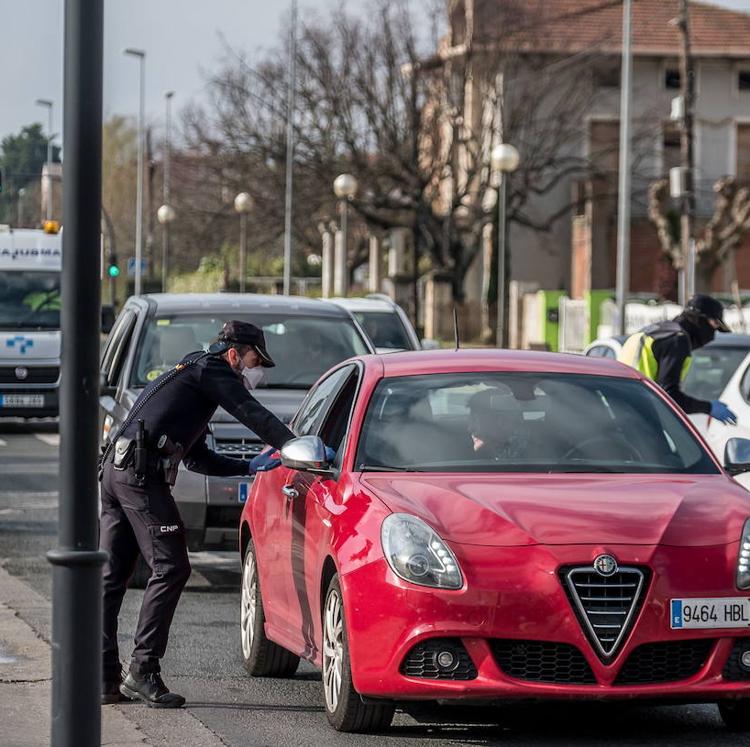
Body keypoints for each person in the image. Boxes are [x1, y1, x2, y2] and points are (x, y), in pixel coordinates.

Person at [99, 320, 296, 708]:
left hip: (116, 472)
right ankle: (143, 670)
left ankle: (104, 679)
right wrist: (293, 444)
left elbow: (197, 457)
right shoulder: (213, 368)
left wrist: (247, 466)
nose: (256, 372)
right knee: (172, 567)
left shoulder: (194, 372)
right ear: (235, 353)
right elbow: (251, 413)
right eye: (255, 361)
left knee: (112, 577)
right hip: (139, 475)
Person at [617, 294, 737, 424]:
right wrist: (708, 407)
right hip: (641, 418)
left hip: (619, 411)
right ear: (699, 319)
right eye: (714, 324)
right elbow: (669, 396)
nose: (714, 332)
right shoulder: (676, 340)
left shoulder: (651, 332)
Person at [467, 388, 530, 460]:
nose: (470, 428)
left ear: (503, 422)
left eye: (475, 420)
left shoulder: (532, 457)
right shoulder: (506, 452)